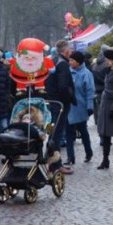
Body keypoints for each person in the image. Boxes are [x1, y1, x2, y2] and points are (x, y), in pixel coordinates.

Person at [44, 40, 76, 174]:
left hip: (52, 101)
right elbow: (63, 86)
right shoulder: (62, 64)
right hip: (59, 103)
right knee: (56, 134)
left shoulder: (53, 60)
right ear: (66, 50)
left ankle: (52, 161)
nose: (72, 52)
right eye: (70, 49)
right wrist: (71, 97)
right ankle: (56, 164)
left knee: (53, 133)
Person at [66, 51, 95, 165]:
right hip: (69, 107)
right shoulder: (68, 72)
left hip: (81, 107)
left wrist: (90, 106)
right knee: (69, 132)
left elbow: (90, 91)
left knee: (83, 131)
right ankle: (70, 157)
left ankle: (88, 152)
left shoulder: (86, 73)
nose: (70, 62)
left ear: (78, 62)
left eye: (72, 60)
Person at [92, 44, 111, 126]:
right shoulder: (107, 64)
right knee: (103, 106)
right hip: (104, 87)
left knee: (97, 105)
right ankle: (102, 121)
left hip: (96, 87)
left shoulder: (96, 63)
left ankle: (97, 120)